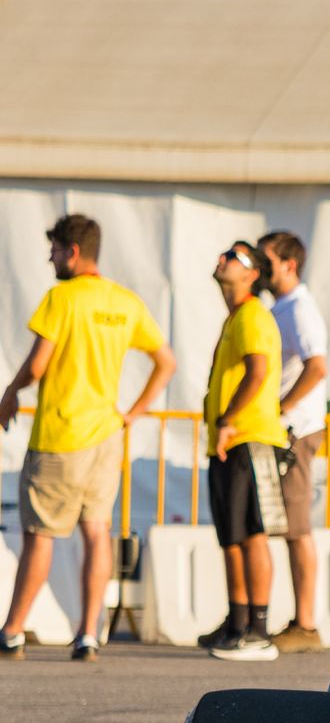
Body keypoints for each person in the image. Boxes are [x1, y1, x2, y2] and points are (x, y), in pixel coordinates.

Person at [0, 215, 175, 662]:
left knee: (40, 535)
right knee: (96, 532)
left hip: (62, 432)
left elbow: (38, 365)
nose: (50, 258)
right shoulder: (123, 301)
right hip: (106, 435)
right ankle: (88, 633)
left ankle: (13, 630)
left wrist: (10, 392)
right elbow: (166, 361)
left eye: (55, 249)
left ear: (72, 252)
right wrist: (132, 414)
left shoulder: (63, 298)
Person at [200, 240, 289, 662]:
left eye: (232, 257)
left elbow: (259, 371)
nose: (221, 260)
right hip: (230, 440)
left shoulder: (253, 313)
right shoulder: (236, 317)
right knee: (231, 536)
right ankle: (237, 621)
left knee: (252, 534)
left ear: (252, 274)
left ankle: (258, 627)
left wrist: (229, 420)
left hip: (250, 437)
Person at [258, 230, 329, 652]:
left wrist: (281, 408)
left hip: (296, 431)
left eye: (267, 263)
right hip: (288, 429)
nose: (262, 272)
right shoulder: (282, 307)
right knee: (288, 526)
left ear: (290, 264)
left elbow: (317, 367)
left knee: (297, 528)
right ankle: (298, 620)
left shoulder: (300, 309)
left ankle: (305, 623)